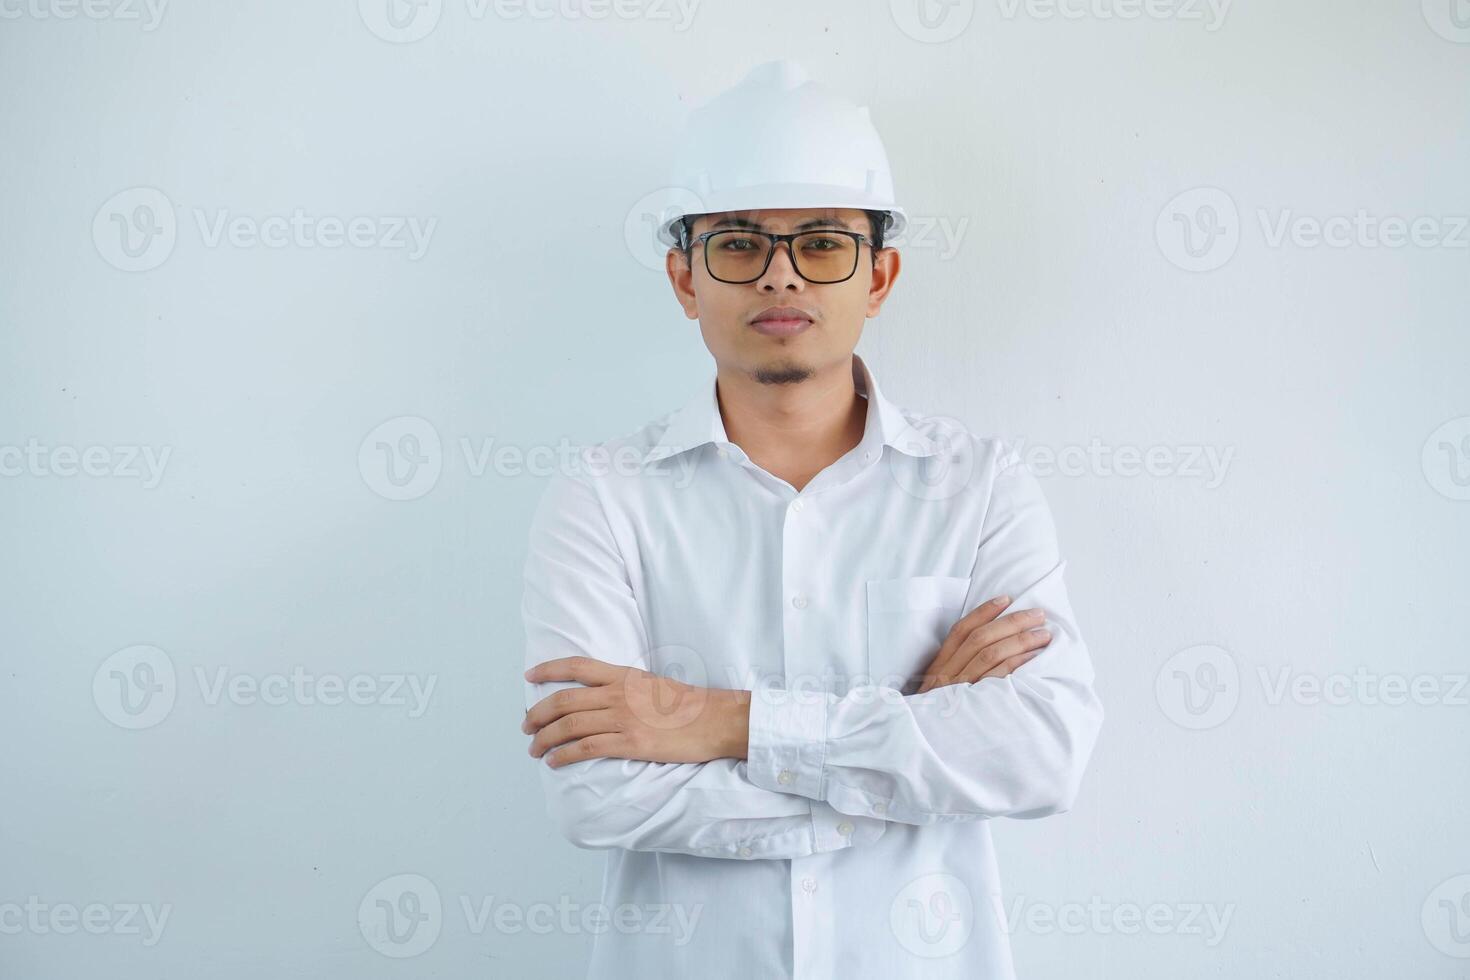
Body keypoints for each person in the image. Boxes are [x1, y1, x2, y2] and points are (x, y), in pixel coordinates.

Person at [519, 59, 1103, 979]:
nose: (781, 278)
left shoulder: (982, 486)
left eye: (823, 243)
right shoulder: (603, 498)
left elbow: (1040, 756)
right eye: (740, 245)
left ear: (879, 275)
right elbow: (597, 799)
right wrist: (912, 739)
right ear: (684, 279)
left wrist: (722, 724)